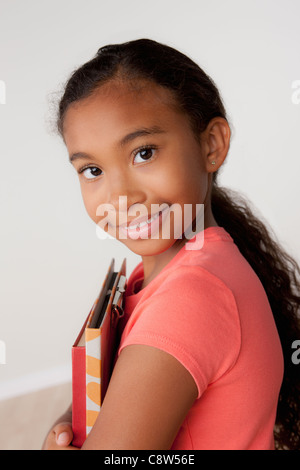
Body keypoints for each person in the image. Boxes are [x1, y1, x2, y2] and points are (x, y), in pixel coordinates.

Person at [43, 39, 300, 450]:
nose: (120, 196)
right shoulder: (174, 270)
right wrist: (80, 412)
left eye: (144, 153)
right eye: (92, 169)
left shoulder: (191, 298)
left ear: (211, 144)